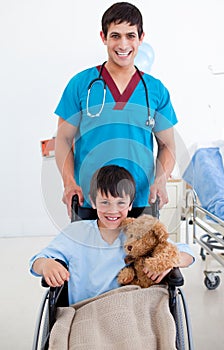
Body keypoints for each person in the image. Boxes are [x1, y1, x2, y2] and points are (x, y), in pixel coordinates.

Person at [54, 2, 178, 219]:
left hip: (140, 201)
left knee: (140, 254)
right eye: (115, 36)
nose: (123, 44)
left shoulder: (155, 90)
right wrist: (69, 183)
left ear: (141, 38)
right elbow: (63, 141)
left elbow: (167, 146)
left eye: (130, 35)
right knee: (88, 253)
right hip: (90, 201)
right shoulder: (81, 84)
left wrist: (161, 180)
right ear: (103, 37)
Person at [30, 165, 195, 305]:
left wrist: (170, 261)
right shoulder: (76, 233)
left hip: (130, 306)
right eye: (105, 202)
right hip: (86, 308)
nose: (112, 210)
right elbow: (37, 261)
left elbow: (187, 252)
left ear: (130, 205)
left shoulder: (139, 232)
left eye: (121, 203)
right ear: (93, 201)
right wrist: (46, 265)